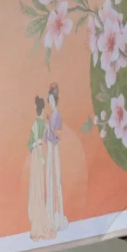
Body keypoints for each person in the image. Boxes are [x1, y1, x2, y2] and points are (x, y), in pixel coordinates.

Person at [27, 95, 55, 241]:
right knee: (39, 186)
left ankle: (38, 221)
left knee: (36, 187)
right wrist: (41, 155)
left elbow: (29, 145)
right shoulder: (42, 123)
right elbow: (43, 138)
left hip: (35, 156)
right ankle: (40, 224)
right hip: (38, 155)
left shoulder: (36, 124)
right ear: (43, 109)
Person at [45, 82, 68, 232]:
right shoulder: (52, 114)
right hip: (50, 147)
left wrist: (49, 127)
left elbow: (56, 133)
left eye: (52, 100)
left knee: (54, 177)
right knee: (50, 177)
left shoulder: (56, 114)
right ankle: (51, 212)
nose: (51, 103)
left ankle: (57, 213)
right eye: (50, 101)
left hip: (54, 148)